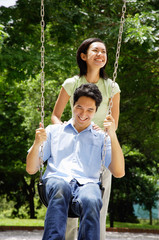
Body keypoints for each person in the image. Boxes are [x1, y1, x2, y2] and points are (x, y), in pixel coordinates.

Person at [26, 84, 125, 240]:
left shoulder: (101, 138)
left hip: (87, 184)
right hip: (56, 181)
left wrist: (112, 135)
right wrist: (37, 143)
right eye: (79, 107)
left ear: (96, 111)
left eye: (90, 110)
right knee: (61, 187)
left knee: (91, 198)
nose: (83, 114)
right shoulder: (53, 131)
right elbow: (31, 169)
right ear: (73, 104)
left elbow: (119, 172)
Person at [51, 38, 120, 240]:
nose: (100, 54)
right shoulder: (72, 83)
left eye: (104, 52)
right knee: (68, 205)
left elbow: (114, 123)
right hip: (73, 149)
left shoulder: (111, 87)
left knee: (97, 205)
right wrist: (64, 127)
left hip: (100, 150)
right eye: (95, 50)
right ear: (84, 56)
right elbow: (55, 116)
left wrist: (104, 131)